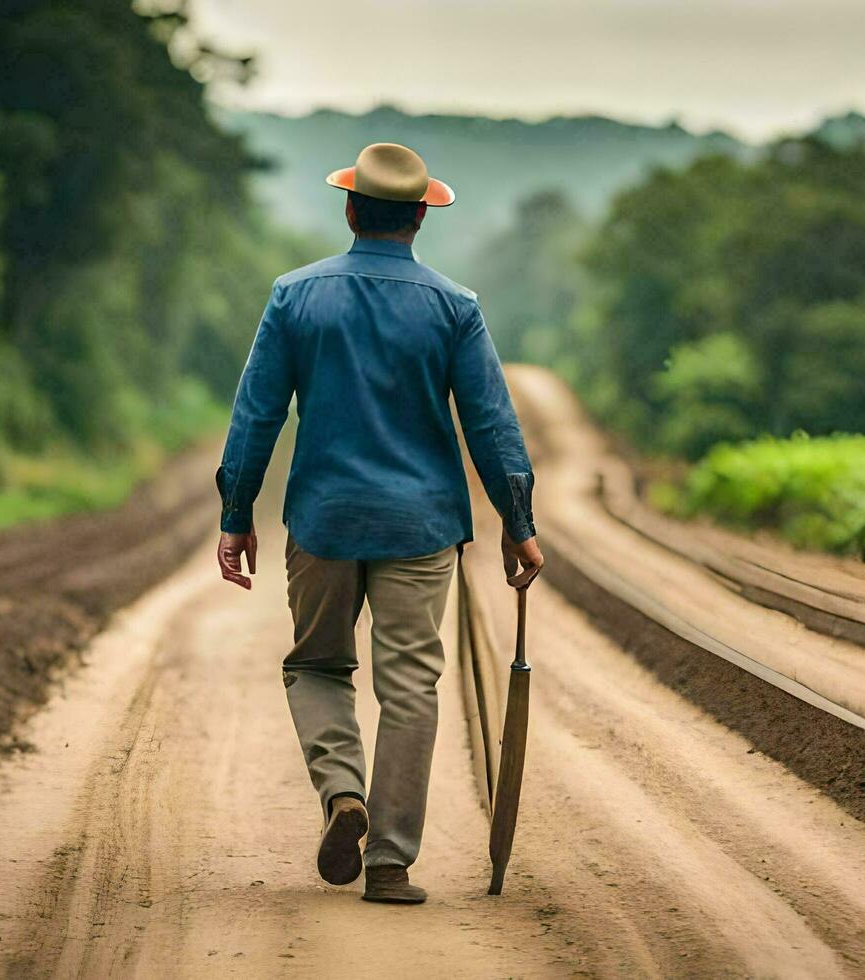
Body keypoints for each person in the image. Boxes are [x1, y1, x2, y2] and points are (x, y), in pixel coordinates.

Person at [214, 143, 543, 905]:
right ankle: (390, 863)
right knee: (411, 688)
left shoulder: (295, 296)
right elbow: (490, 425)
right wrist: (518, 522)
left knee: (318, 666)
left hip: (324, 520)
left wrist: (237, 514)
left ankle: (341, 795)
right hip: (421, 526)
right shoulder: (455, 308)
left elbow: (257, 414)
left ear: (352, 209)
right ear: (420, 216)